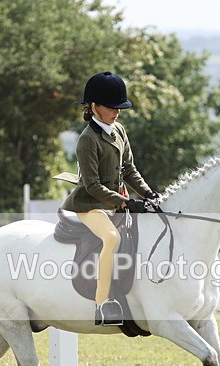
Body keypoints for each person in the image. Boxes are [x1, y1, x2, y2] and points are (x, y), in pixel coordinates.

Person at [61, 71, 158, 326]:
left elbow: (129, 169)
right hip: (90, 205)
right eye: (112, 107)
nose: (117, 111)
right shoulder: (87, 140)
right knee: (112, 237)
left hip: (113, 203)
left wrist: (148, 193)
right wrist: (125, 202)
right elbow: (92, 186)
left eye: (119, 107)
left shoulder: (119, 130)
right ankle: (103, 304)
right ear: (94, 107)